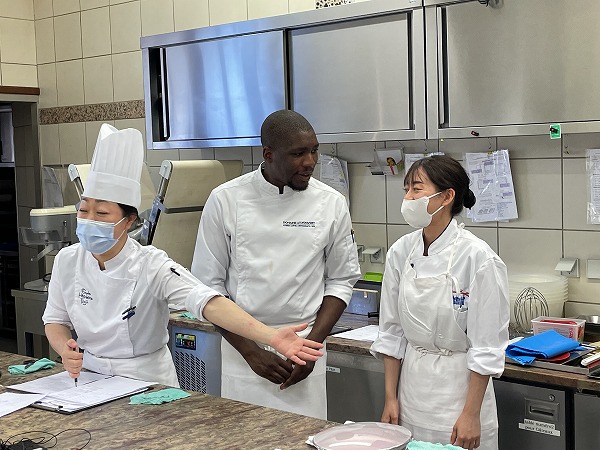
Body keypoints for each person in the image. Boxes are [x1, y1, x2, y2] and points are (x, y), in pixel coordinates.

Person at [42, 124, 324, 388]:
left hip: (145, 381)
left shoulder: (150, 264)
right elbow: (55, 319)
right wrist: (65, 350)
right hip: (88, 378)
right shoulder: (68, 260)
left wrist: (271, 336)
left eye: (102, 213)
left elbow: (207, 301)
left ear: (128, 221)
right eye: (83, 210)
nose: (89, 220)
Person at [190, 109, 361, 419]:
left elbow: (341, 279)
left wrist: (311, 348)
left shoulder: (331, 202)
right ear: (268, 154)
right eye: (298, 153)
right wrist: (251, 352)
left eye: (314, 151)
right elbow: (208, 288)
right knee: (245, 436)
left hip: (305, 349)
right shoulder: (226, 200)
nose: (310, 162)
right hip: (243, 351)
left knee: (304, 436)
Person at [370, 155, 509, 450]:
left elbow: (487, 346)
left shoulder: (478, 258)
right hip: (412, 394)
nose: (408, 198)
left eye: (416, 189)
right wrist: (391, 398)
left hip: (460, 395)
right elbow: (391, 332)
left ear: (447, 197)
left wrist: (471, 414)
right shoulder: (401, 252)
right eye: (406, 189)